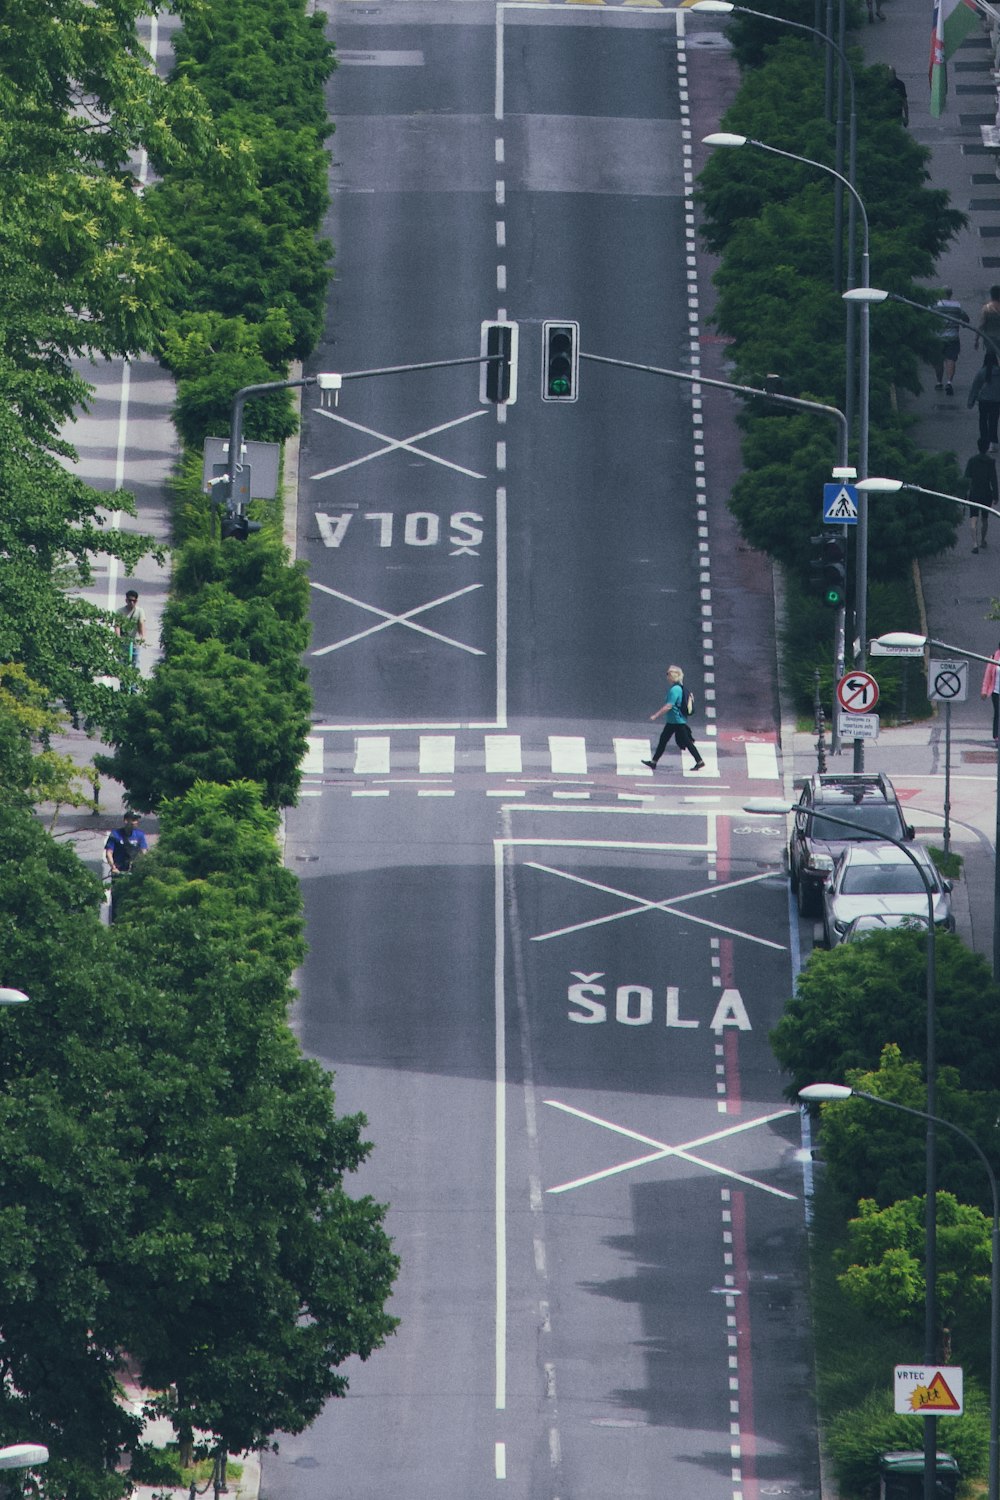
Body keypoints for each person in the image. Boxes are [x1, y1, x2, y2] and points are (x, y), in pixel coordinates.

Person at [642, 666, 705, 772]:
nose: (667, 677)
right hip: (674, 721)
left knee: (686, 742)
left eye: (668, 674)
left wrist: (656, 715)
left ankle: (699, 761)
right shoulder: (679, 687)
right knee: (663, 740)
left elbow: (669, 706)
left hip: (677, 721)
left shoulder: (675, 689)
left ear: (673, 676)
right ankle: (654, 762)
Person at [104, 812, 149, 922]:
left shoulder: (140, 835)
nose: (135, 822)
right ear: (126, 821)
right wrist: (113, 867)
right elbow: (109, 853)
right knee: (117, 896)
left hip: (134, 871)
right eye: (132, 819)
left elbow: (144, 852)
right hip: (119, 871)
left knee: (135, 898)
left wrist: (143, 866)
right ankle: (115, 922)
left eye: (136, 820)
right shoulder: (115, 834)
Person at [964, 436, 999, 551]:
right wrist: (995, 495)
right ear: (986, 447)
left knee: (973, 518)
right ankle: (983, 540)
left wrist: (964, 493)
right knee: (985, 518)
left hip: (974, 493)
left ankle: (974, 544)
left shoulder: (972, 461)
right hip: (986, 494)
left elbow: (966, 479)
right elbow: (993, 480)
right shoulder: (990, 462)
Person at [932, 289, 969, 395]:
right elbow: (965, 318)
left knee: (938, 361)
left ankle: (939, 382)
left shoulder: (934, 305)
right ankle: (949, 382)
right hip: (953, 338)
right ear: (951, 295)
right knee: (951, 359)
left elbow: (928, 317)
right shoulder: (956, 306)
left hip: (937, 337)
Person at [967, 350, 1000, 450]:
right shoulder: (999, 372)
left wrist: (970, 402)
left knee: (983, 420)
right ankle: (992, 443)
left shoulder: (982, 372)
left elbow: (975, 387)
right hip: (996, 401)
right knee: (993, 421)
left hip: (983, 400)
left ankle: (984, 440)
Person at [115, 589, 146, 681]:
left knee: (135, 664)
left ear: (136, 601)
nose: (131, 603)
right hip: (124, 642)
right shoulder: (120, 611)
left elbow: (141, 624)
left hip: (135, 641)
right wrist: (118, 637)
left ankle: (134, 687)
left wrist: (142, 637)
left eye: (134, 601)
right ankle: (123, 685)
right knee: (122, 665)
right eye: (129, 600)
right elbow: (117, 625)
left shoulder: (140, 611)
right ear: (126, 600)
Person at [982, 644, 1000, 741]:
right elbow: (988, 675)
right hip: (996, 691)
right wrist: (984, 690)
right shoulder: (994, 657)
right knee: (998, 712)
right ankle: (996, 736)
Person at [976, 285, 1000, 353]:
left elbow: (981, 325)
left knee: (990, 359)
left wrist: (976, 339)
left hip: (990, 339)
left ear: (991, 295)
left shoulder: (987, 308)